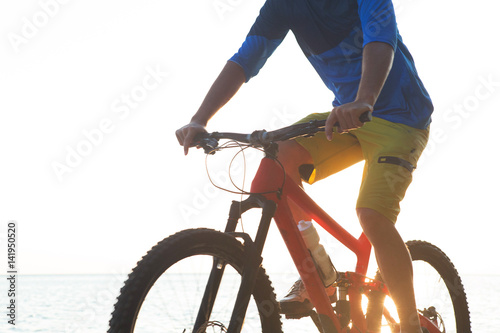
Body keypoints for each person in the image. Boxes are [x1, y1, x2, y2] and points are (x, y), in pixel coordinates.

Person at [176, 0, 433, 332]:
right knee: (276, 163)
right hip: (346, 117)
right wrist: (199, 119)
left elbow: (380, 38)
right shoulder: (283, 5)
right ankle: (320, 272)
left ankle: (411, 326)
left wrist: (365, 99)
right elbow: (245, 60)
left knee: (372, 214)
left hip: (401, 121)